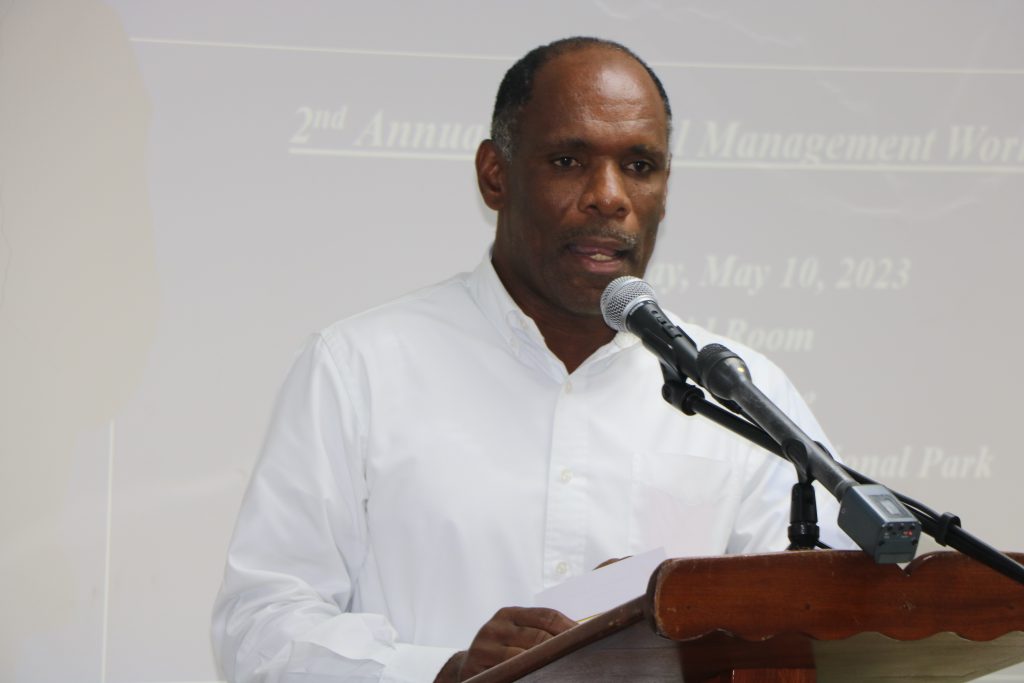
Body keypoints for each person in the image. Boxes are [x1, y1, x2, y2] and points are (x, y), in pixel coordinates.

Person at [212, 37, 850, 683]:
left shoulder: (740, 388)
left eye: (639, 165)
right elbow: (261, 627)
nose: (609, 196)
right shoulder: (358, 368)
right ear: (496, 174)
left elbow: (830, 625)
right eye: (570, 160)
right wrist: (447, 671)